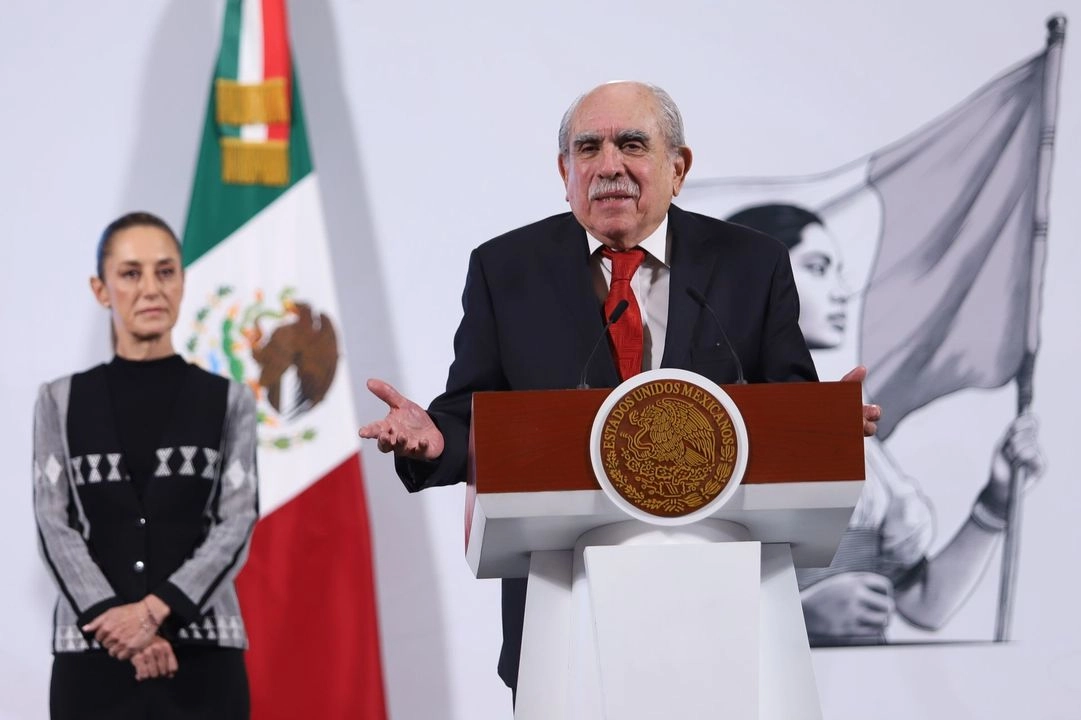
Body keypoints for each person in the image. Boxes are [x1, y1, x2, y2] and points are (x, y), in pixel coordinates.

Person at [359, 82, 880, 693]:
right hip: (563, 608)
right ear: (565, 172)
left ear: (678, 168)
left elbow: (787, 405)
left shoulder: (750, 263)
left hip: (727, 607)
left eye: (632, 144)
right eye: (588, 148)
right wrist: (436, 440)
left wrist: (823, 429)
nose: (609, 166)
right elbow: (470, 413)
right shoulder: (506, 270)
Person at [727, 203, 1045, 645]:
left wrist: (996, 499)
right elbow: (670, 606)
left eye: (838, 271)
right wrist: (797, 615)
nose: (842, 291)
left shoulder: (842, 423)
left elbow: (924, 604)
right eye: (817, 268)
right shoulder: (698, 426)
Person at [33, 212, 259, 719]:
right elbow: (53, 524)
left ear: (182, 281)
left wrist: (155, 614)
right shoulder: (59, 401)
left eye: (165, 271)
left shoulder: (229, 401)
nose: (151, 288)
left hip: (203, 660)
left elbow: (237, 522)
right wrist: (116, 622)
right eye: (131, 273)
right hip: (93, 658)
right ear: (101, 289)